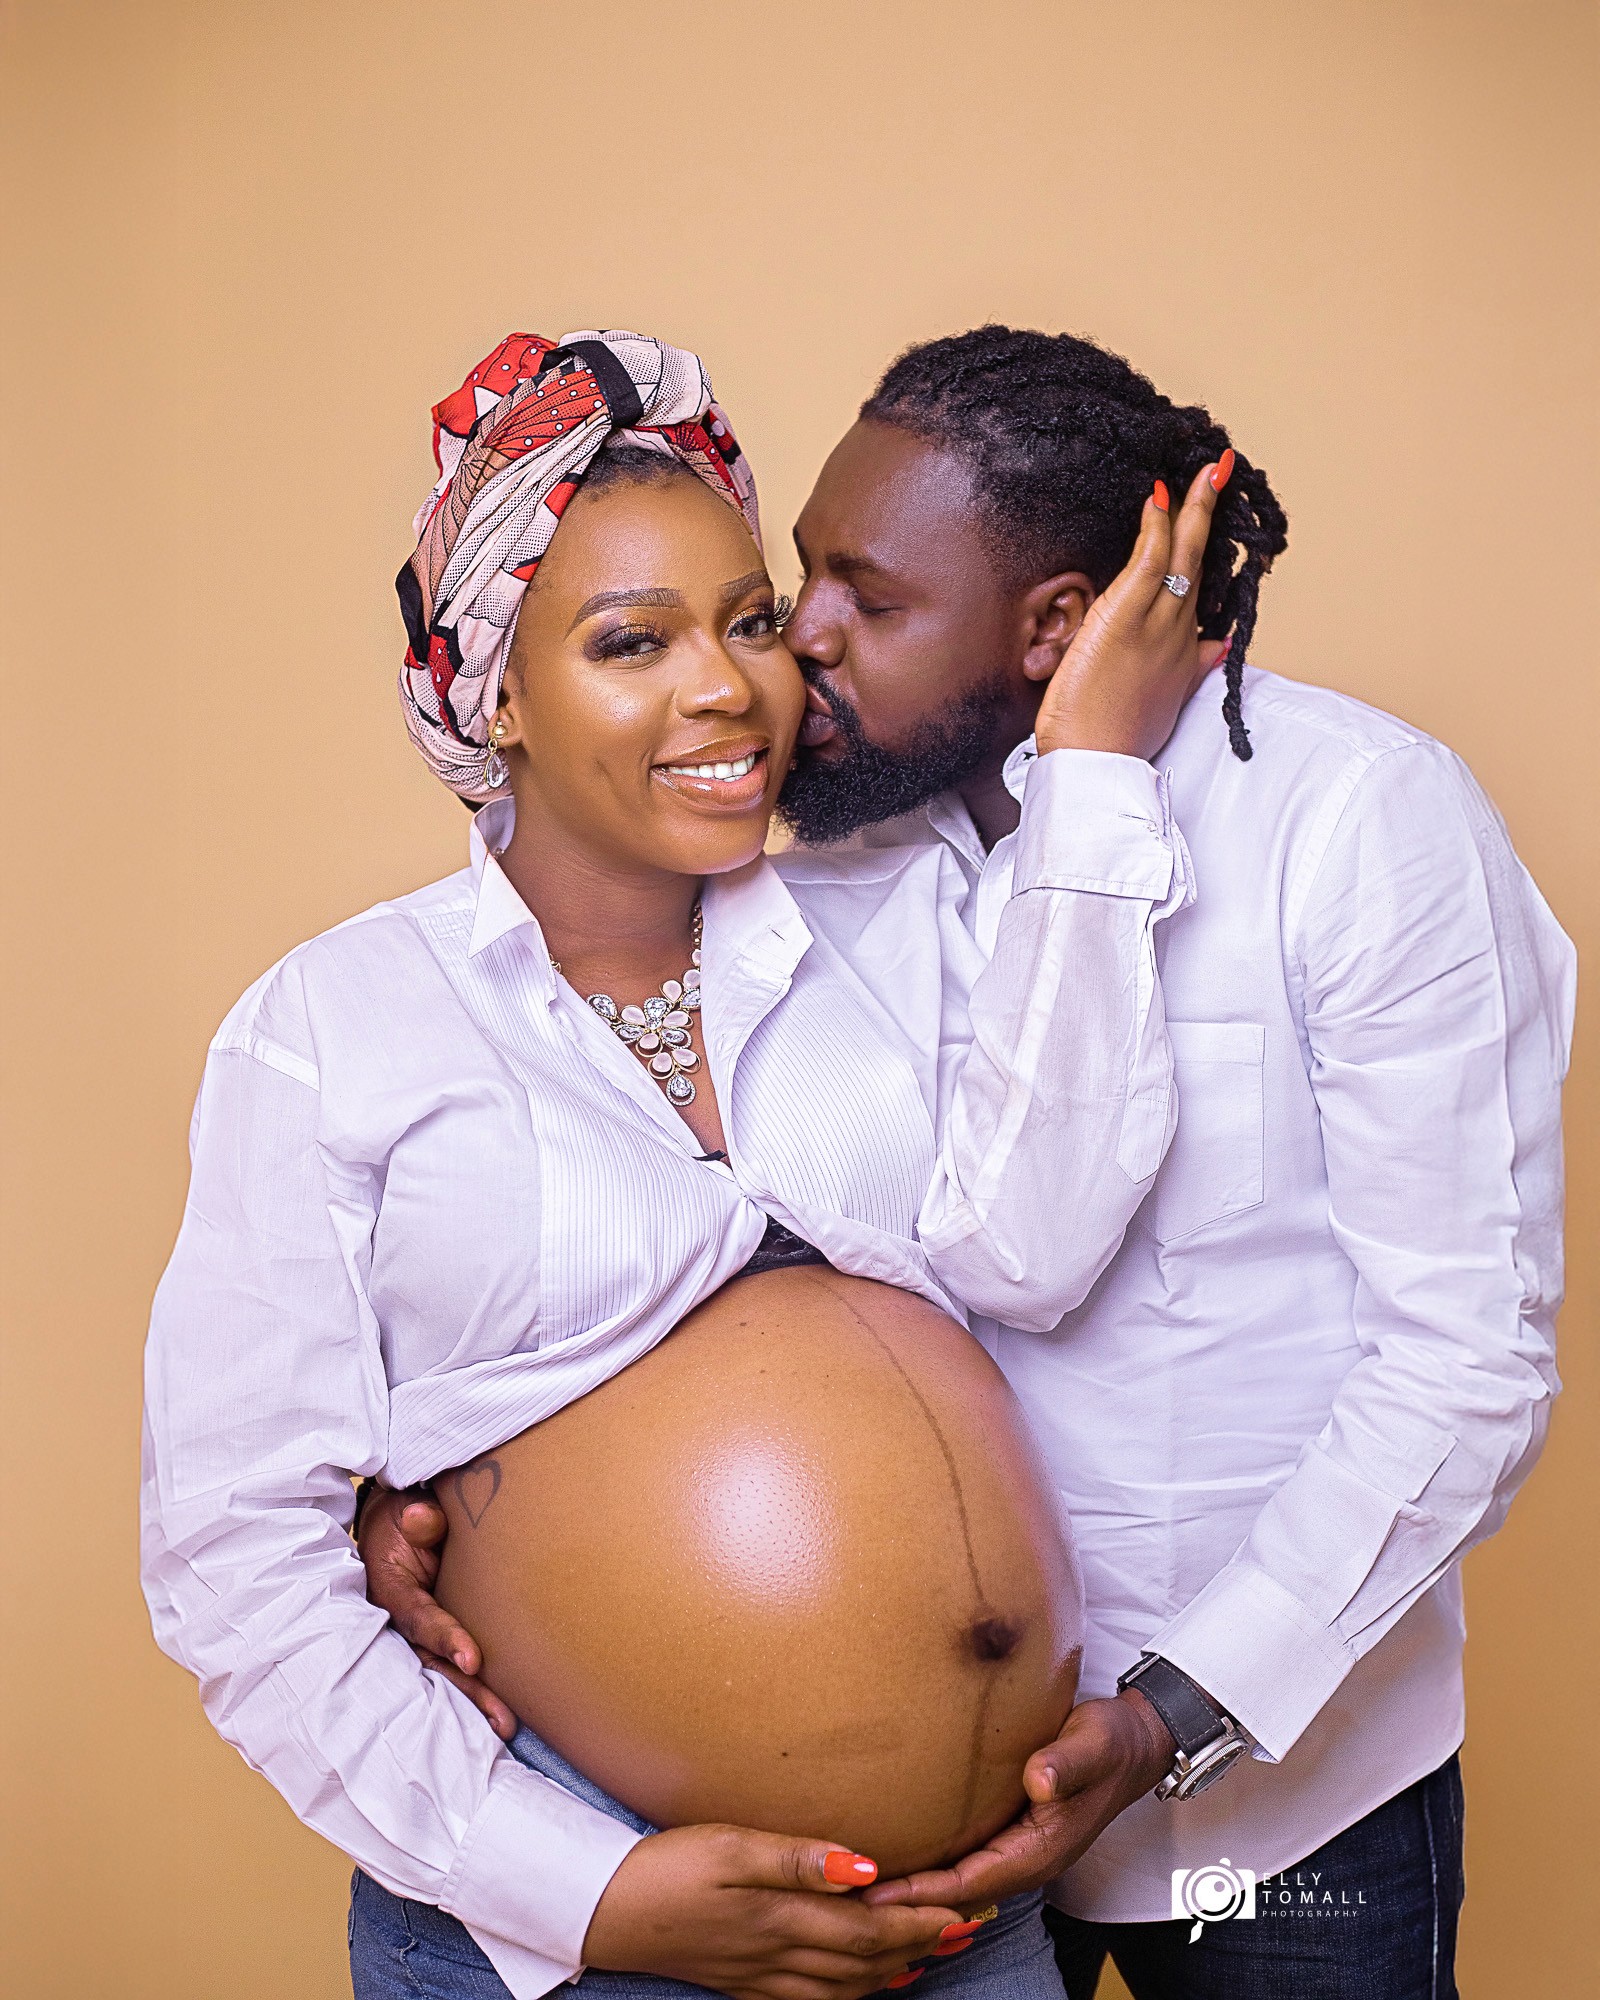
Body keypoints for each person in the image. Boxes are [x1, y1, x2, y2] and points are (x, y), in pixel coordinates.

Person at [367, 327, 1576, 2000]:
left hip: (1274, 1809)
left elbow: (1466, 1361)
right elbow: (649, 1199)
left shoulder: (1360, 821)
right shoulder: (830, 850)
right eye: (804, 577)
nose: (800, 639)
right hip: (915, 1839)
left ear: (1057, 627)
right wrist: (422, 1485)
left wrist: (1173, 1714)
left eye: (866, 599)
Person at [140, 328, 1235, 2000]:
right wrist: (592, 1895)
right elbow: (235, 1554)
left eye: (749, 622)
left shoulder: (907, 914)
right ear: (497, 692)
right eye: (631, 642)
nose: (727, 688)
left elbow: (1041, 1240)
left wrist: (1087, 775)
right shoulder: (336, 1023)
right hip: (579, 1919)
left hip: (977, 1911)